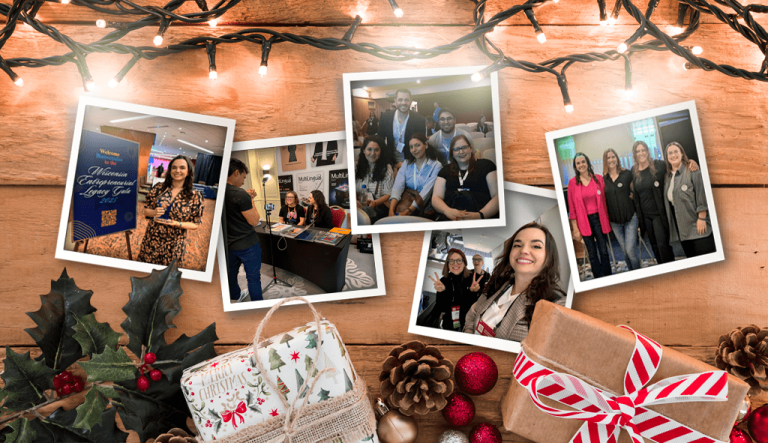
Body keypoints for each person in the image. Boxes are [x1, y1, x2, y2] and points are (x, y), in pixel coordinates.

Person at [463, 222, 566, 340]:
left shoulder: (554, 305)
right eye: (517, 245)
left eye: (536, 246)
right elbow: (472, 314)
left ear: (548, 259)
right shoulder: (496, 285)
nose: (524, 250)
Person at [137, 155, 203, 267]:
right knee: (145, 269)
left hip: (174, 242)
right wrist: (154, 213)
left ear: (188, 172)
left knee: (167, 275)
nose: (177, 171)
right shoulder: (159, 188)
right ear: (170, 170)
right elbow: (146, 210)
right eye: (174, 167)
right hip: (153, 238)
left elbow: (195, 223)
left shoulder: (195, 196)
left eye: (182, 168)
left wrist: (178, 224)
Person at [663, 142, 716, 257]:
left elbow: (701, 194)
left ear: (682, 153)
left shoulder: (692, 170)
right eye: (670, 153)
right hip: (682, 230)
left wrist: (702, 217)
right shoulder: (667, 177)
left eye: (676, 151)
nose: (673, 155)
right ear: (666, 157)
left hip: (698, 225)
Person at [223, 158, 263, 302]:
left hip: (228, 244)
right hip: (248, 244)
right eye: (243, 177)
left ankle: (235, 296)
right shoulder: (240, 194)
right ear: (236, 173)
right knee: (253, 278)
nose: (244, 181)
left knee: (231, 274)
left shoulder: (220, 192)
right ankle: (258, 306)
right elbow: (254, 220)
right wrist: (250, 198)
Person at [432, 135, 499, 221]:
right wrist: (446, 210)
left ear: (471, 148)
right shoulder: (445, 171)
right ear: (452, 153)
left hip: (481, 217)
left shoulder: (487, 165)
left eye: (464, 147)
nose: (461, 152)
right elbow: (436, 197)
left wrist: (480, 215)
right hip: (452, 219)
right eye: (456, 149)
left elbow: (498, 196)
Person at [568, 152, 612, 279]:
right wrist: (575, 229)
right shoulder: (572, 183)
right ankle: (598, 277)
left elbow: (607, 196)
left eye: (583, 162)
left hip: (599, 219)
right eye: (578, 163)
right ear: (575, 166)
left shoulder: (598, 178)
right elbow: (572, 208)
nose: (581, 165)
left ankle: (608, 275)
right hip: (584, 222)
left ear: (587, 163)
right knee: (592, 253)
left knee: (603, 250)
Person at [602, 148, 641, 271]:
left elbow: (637, 189)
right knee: (625, 252)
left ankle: (639, 276)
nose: (611, 160)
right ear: (605, 161)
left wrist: (633, 195)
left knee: (630, 250)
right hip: (615, 222)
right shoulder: (603, 180)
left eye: (613, 157)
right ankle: (632, 275)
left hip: (630, 217)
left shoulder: (627, 174)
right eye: (608, 158)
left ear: (617, 158)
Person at [389, 133, 442, 218]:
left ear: (426, 145)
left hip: (425, 204)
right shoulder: (406, 163)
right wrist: (391, 211)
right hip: (406, 200)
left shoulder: (436, 165)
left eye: (417, 145)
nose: (414, 150)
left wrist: (409, 211)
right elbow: (397, 187)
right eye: (411, 147)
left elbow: (426, 192)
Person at [426, 249, 478, 332]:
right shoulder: (443, 281)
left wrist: (473, 291)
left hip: (468, 321)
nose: (455, 264)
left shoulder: (471, 279)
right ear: (448, 264)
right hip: (450, 322)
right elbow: (441, 308)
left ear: (464, 263)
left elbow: (474, 305)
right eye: (451, 261)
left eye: (459, 261)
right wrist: (442, 292)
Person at [376, 88, 426, 168]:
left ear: (410, 101)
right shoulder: (385, 117)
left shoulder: (419, 119)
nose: (403, 103)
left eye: (406, 100)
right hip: (390, 160)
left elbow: (420, 143)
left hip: (411, 160)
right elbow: (379, 139)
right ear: (395, 101)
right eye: (400, 100)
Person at [356, 136, 395, 224]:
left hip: (378, 207)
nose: (373, 153)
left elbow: (388, 193)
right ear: (363, 151)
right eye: (369, 149)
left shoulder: (387, 168)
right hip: (358, 205)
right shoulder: (356, 168)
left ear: (381, 152)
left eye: (376, 150)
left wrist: (375, 203)